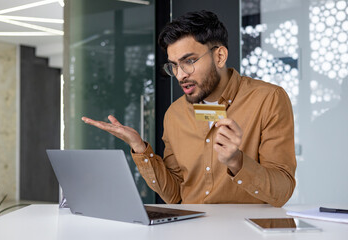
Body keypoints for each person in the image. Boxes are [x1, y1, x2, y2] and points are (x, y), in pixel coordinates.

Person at [82, 10, 296, 207]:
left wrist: (237, 162)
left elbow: (282, 192)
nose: (180, 74)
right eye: (173, 65)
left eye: (189, 61)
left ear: (219, 56)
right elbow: (175, 195)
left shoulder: (268, 99)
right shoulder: (175, 114)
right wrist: (139, 148)